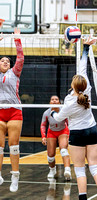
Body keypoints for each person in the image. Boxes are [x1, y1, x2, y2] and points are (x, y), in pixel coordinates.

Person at [51, 38, 97, 200]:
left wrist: (52, 113)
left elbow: (58, 118)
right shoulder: (87, 89)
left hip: (77, 134)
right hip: (92, 131)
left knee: (79, 169)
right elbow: (83, 66)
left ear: (73, 85)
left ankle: (83, 198)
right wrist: (86, 47)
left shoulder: (69, 102)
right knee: (95, 167)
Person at [0, 28, 24, 192]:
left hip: (14, 111)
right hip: (0, 111)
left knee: (13, 146)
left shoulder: (14, 73)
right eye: (2, 60)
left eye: (7, 61)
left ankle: (15, 176)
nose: (5, 62)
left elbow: (20, 58)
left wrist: (17, 39)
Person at [40, 95, 71, 180]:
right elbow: (43, 125)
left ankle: (67, 171)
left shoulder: (63, 111)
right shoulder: (46, 113)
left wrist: (70, 135)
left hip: (63, 131)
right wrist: (43, 136)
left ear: (59, 102)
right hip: (52, 132)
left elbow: (69, 123)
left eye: (56, 99)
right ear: (50, 102)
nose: (54, 101)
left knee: (63, 150)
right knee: (50, 155)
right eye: (52, 99)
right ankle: (52, 170)